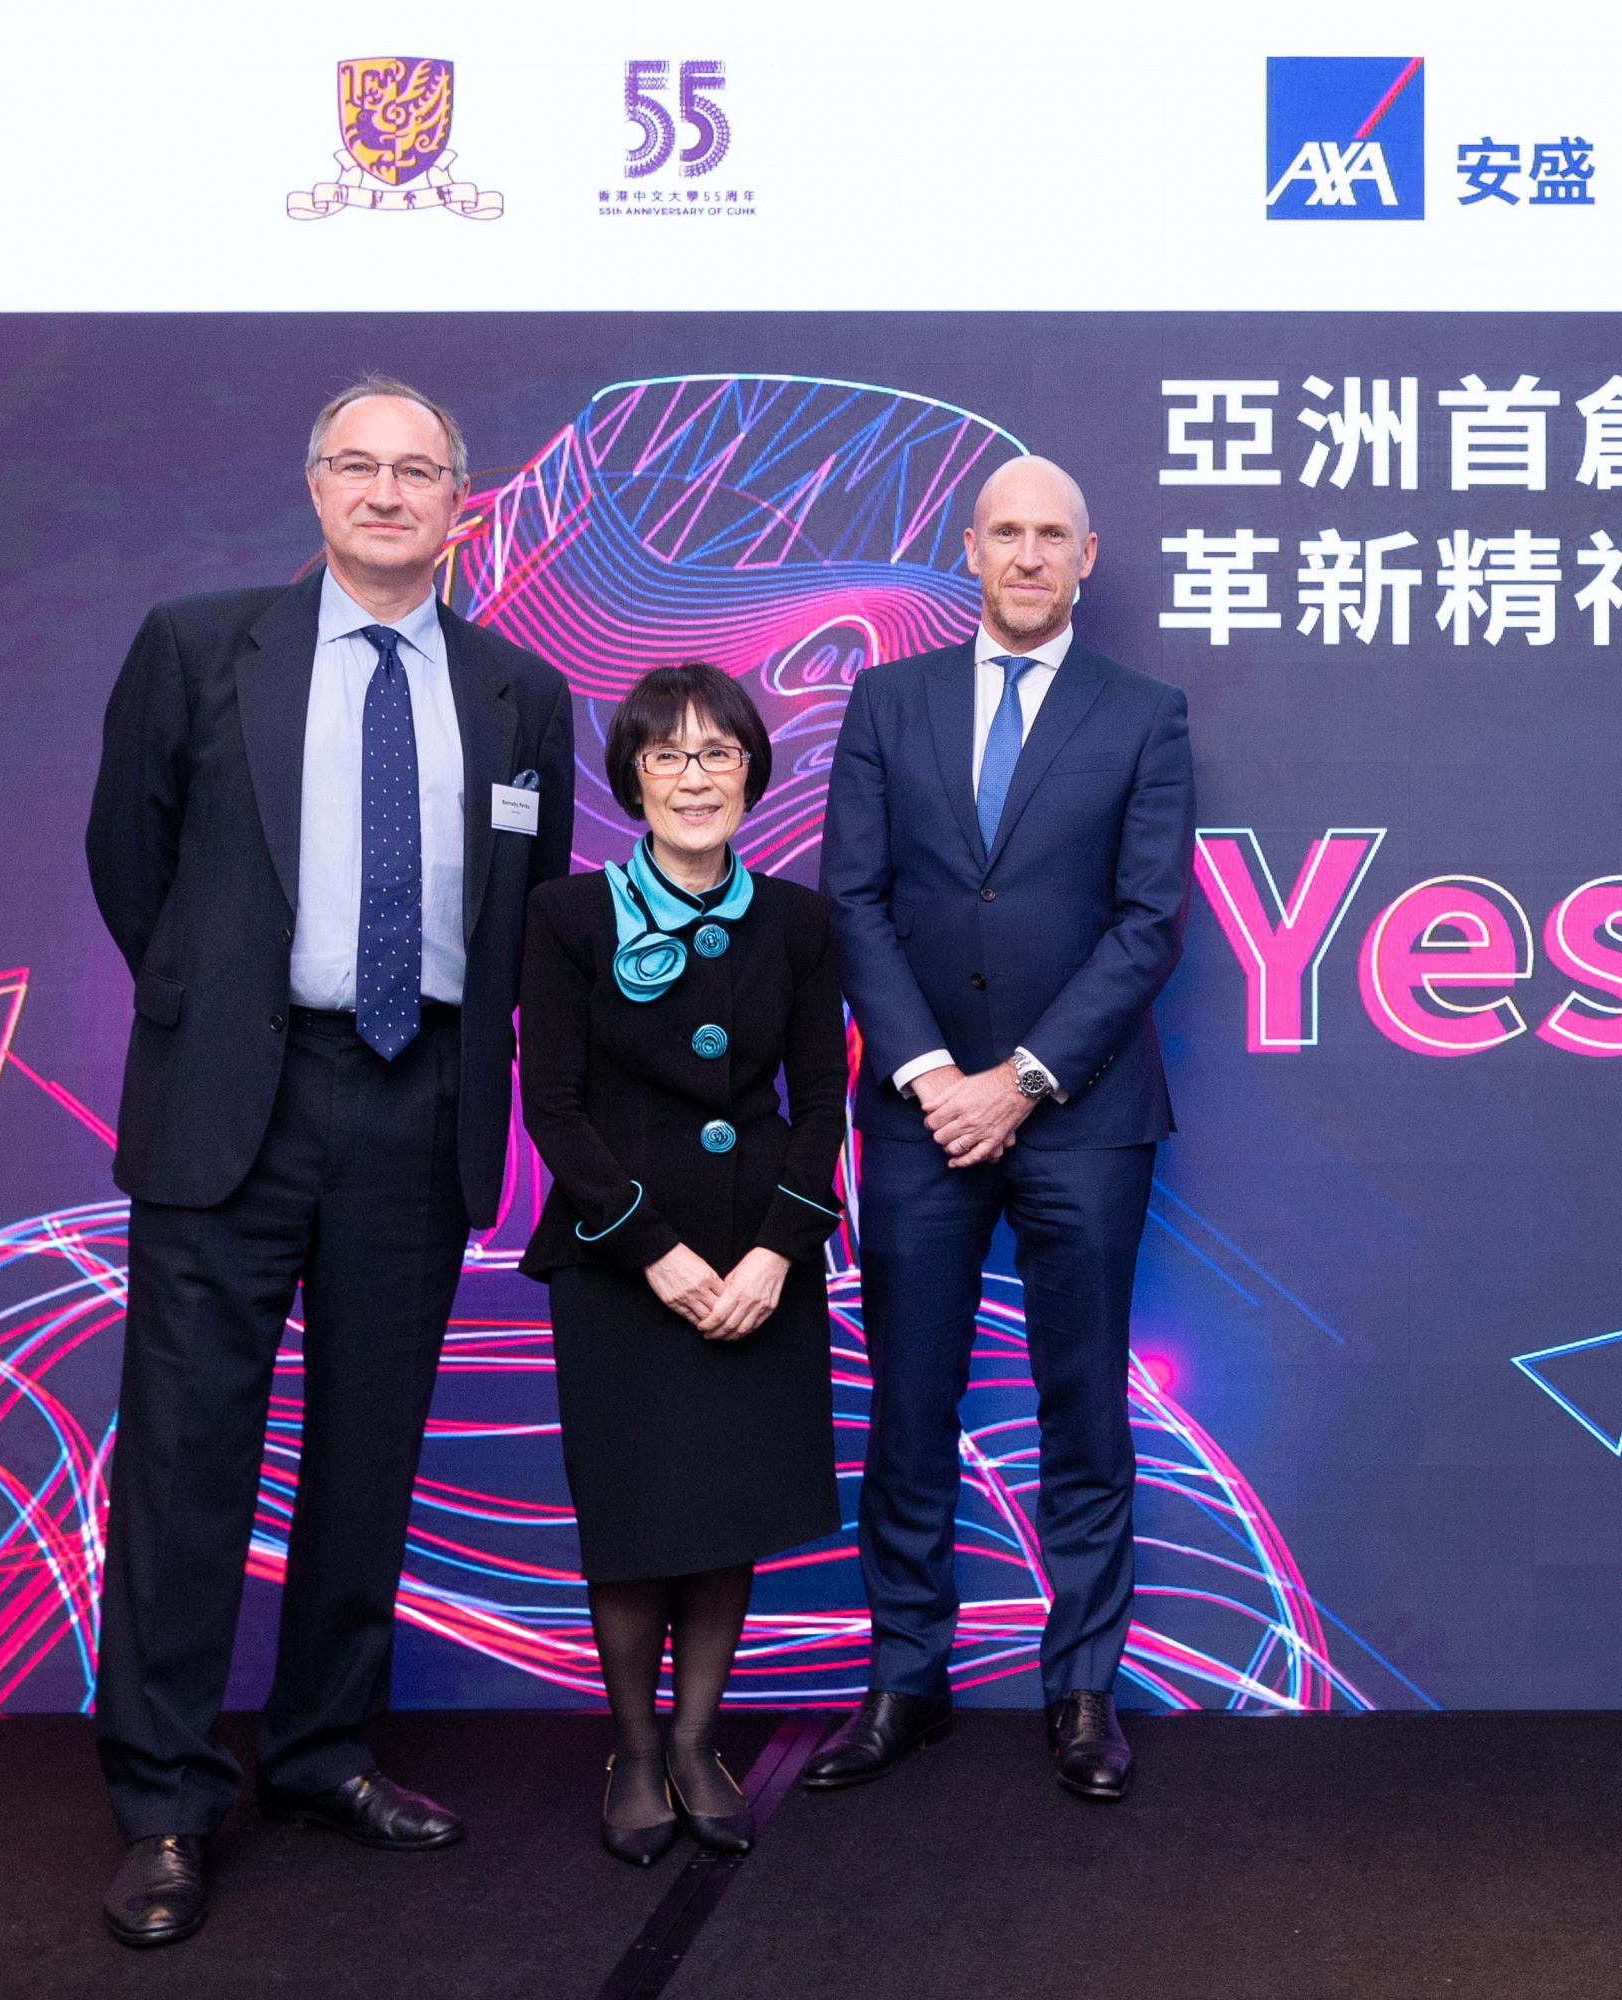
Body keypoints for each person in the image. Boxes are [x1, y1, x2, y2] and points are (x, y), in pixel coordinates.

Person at [83, 377, 575, 1947]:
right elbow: (131, 859)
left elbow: (526, 902)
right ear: (313, 490)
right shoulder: (194, 644)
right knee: (183, 1465)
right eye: (355, 466)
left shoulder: (519, 695)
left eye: (415, 470)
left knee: (369, 1454)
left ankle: (318, 1754)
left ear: (458, 501)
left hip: (417, 1101)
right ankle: (164, 1802)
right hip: (238, 1096)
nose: (384, 492)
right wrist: (215, 1001)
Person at [812, 455, 1193, 1800]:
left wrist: (1021, 1080)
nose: (1028, 556)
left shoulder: (1144, 714)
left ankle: (1082, 1690)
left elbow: (1150, 923)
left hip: (1083, 1118)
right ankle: (902, 1679)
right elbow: (851, 901)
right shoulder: (887, 701)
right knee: (908, 1410)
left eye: (1054, 536)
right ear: (967, 547)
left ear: (1089, 556)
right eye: (1006, 533)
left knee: (1083, 1408)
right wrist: (931, 1076)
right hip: (916, 1120)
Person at [516, 664, 847, 1866]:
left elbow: (822, 1102)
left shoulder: (802, 922)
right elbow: (550, 1104)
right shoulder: (566, 915)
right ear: (633, 776)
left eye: (718, 753)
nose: (695, 776)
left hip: (761, 1260)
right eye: (669, 755)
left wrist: (775, 1252)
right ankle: (637, 1749)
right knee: (638, 1513)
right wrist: (652, 1250)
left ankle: (702, 1740)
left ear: (753, 773)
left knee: (725, 1510)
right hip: (620, 1264)